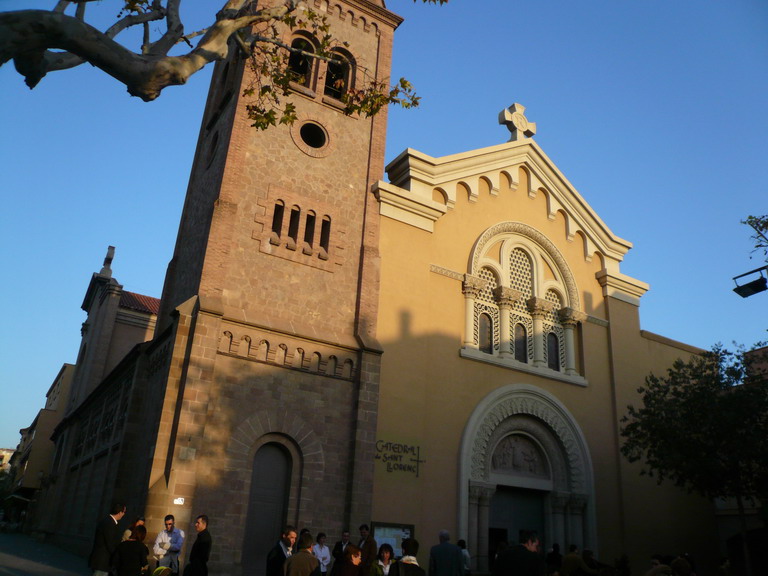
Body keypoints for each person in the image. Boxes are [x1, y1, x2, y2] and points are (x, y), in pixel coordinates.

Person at [89, 502, 126, 576]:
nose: (124, 514)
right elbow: (110, 543)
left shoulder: (108, 521)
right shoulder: (109, 523)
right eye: (124, 512)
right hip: (102, 562)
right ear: (120, 512)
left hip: (102, 562)